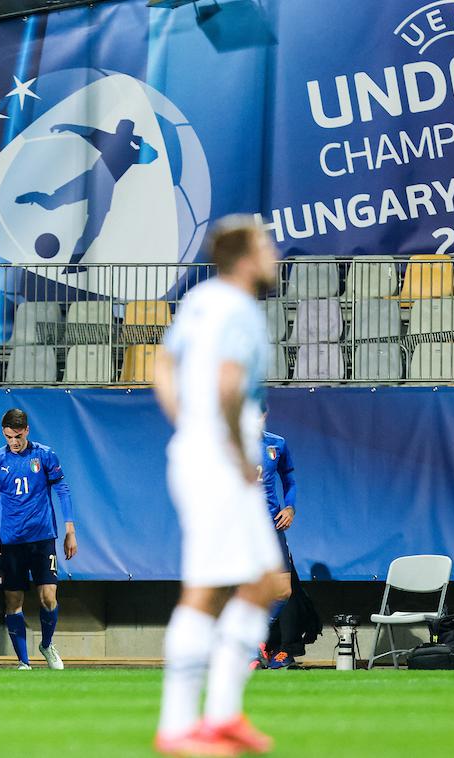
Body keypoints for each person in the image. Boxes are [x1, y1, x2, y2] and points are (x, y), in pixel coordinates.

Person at [152, 215, 282, 755]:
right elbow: (229, 383)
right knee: (205, 590)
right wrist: (227, 444)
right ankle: (179, 726)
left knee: (265, 581)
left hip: (203, 451)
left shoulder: (202, 299)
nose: (274, 254)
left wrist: (187, 423)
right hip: (222, 458)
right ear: (247, 257)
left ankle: (223, 715)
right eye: (267, 245)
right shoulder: (240, 308)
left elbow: (162, 363)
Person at [0, 408, 76, 670]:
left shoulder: (44, 455)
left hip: (42, 538)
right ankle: (23, 662)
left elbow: (62, 489)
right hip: (11, 542)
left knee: (49, 597)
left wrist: (70, 529)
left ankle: (46, 645)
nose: (13, 442)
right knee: (13, 602)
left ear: (26, 430)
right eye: (7, 437)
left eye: (17, 436)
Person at [16, 118, 159, 270]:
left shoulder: (128, 150)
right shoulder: (118, 143)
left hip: (101, 185)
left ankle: (72, 265)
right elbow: (87, 132)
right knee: (56, 205)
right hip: (94, 180)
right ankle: (32, 197)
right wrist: (67, 125)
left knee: (90, 229)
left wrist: (140, 141)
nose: (120, 131)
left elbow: (152, 156)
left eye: (123, 129)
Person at [256, 420, 299, 670]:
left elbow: (289, 479)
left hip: (271, 527)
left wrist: (290, 507)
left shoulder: (277, 443)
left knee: (284, 590)